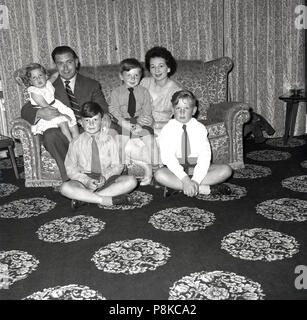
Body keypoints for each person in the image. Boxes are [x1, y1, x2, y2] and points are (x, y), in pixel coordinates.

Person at [21, 46, 109, 182]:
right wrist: (40, 112)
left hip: (86, 127)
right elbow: (26, 109)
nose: (65, 68)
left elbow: (102, 107)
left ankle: (100, 176)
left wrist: (104, 117)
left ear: (76, 62)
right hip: (62, 130)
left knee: (108, 130)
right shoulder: (45, 85)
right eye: (60, 63)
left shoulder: (91, 84)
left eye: (69, 62)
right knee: (50, 135)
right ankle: (71, 180)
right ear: (55, 65)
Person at [154, 89, 233, 198]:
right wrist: (185, 179)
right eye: (178, 108)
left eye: (186, 108)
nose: (182, 112)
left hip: (197, 169)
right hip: (176, 171)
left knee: (226, 170)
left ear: (194, 110)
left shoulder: (200, 128)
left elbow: (205, 156)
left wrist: (196, 180)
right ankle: (205, 189)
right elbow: (168, 158)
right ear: (172, 109)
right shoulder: (167, 130)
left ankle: (179, 188)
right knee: (159, 175)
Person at [60, 101, 137, 209]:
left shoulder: (110, 140)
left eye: (95, 120)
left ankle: (85, 200)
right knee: (64, 187)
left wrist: (105, 177)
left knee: (131, 181)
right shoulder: (75, 142)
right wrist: (86, 180)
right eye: (87, 120)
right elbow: (70, 168)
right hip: (85, 178)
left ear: (101, 121)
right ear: (81, 122)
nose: (91, 124)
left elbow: (118, 165)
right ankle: (103, 199)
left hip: (106, 178)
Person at [109, 58, 159, 185]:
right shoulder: (116, 92)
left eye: (136, 75)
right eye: (129, 75)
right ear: (121, 76)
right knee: (120, 145)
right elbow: (113, 110)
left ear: (140, 76)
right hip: (124, 122)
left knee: (151, 142)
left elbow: (147, 111)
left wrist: (140, 124)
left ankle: (155, 171)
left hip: (140, 121)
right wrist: (122, 122)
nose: (133, 78)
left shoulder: (144, 91)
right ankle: (119, 173)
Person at [24, 63, 79, 142]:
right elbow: (47, 107)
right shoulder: (34, 92)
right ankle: (71, 142)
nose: (38, 79)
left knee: (72, 120)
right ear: (31, 81)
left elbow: (54, 76)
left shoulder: (48, 83)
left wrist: (61, 71)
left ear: (46, 76)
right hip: (48, 112)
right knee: (63, 122)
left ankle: (77, 141)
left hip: (57, 105)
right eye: (34, 78)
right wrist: (63, 115)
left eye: (40, 75)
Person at [141, 46, 182, 134]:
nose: (157, 70)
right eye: (153, 67)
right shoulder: (144, 83)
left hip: (162, 131)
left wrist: (155, 124)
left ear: (168, 68)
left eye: (161, 66)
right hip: (140, 128)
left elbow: (180, 121)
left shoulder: (176, 92)